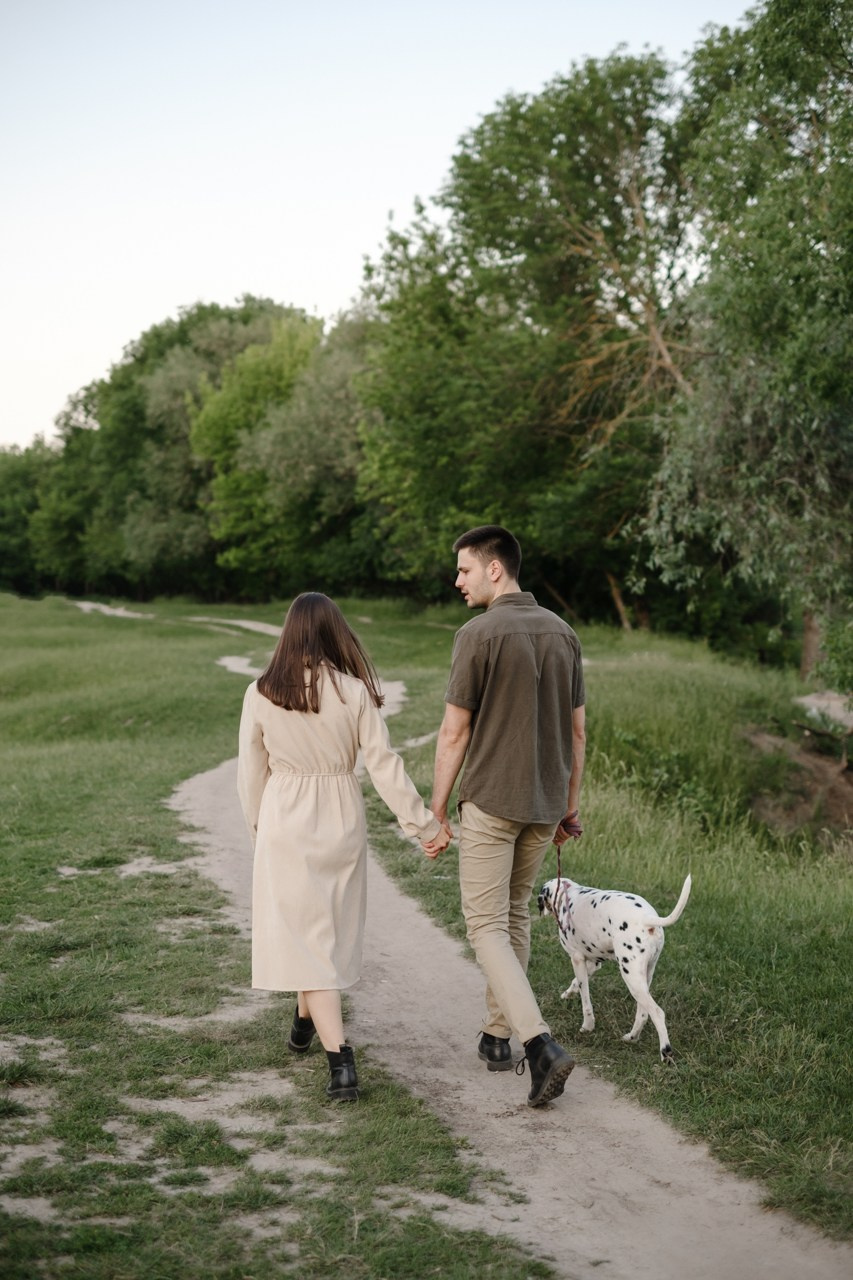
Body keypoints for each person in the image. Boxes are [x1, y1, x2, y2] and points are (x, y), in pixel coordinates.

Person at [238, 592, 449, 1103]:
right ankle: (303, 1021)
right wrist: (423, 825)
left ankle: (342, 1064)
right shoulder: (354, 692)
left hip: (286, 818)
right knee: (321, 934)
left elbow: (251, 777)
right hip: (340, 817)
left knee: (306, 940)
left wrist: (258, 833)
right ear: (335, 632)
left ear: (288, 633)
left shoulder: (261, 692)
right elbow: (384, 766)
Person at [429, 525, 586, 1107]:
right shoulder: (564, 634)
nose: (458, 581)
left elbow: (454, 731)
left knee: (486, 926)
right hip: (545, 803)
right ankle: (499, 1036)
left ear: (495, 569)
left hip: (493, 801)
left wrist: (437, 810)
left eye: (465, 570)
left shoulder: (477, 634)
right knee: (514, 914)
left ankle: (540, 1044)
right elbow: (577, 732)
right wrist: (569, 804)